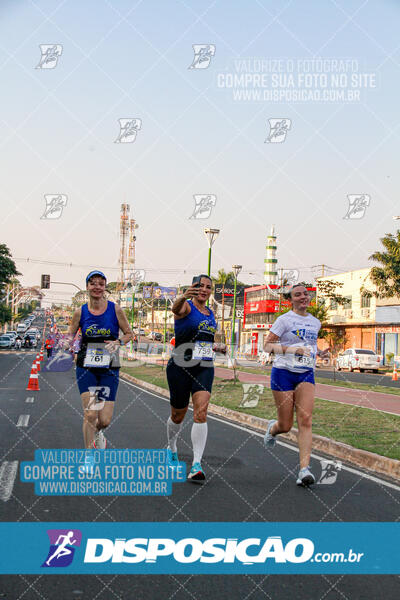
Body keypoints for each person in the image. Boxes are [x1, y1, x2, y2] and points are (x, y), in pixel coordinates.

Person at [66, 270, 133, 472]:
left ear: (105, 288)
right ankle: (88, 457)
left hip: (108, 369)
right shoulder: (80, 312)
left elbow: (130, 333)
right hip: (86, 367)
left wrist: (118, 341)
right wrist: (71, 346)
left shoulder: (115, 310)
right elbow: (70, 335)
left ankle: (98, 435)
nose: (97, 287)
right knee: (90, 414)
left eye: (101, 284)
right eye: (93, 283)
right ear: (87, 287)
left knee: (103, 420)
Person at [263, 283, 328, 486]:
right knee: (286, 425)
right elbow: (267, 346)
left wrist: (320, 353)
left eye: (305, 294)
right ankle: (273, 430)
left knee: (306, 419)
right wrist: (293, 351)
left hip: (306, 374)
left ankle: (304, 470)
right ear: (290, 300)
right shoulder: (284, 320)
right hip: (283, 373)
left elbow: (309, 345)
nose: (303, 297)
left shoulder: (315, 322)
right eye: (297, 295)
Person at [166, 275, 226, 482]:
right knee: (178, 415)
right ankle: (172, 447)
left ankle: (196, 464)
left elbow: (206, 340)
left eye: (208, 287)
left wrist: (217, 347)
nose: (204, 290)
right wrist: (183, 296)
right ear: (193, 288)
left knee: (201, 411)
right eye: (200, 286)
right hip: (180, 366)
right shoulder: (186, 307)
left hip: (204, 366)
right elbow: (175, 310)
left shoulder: (210, 314)